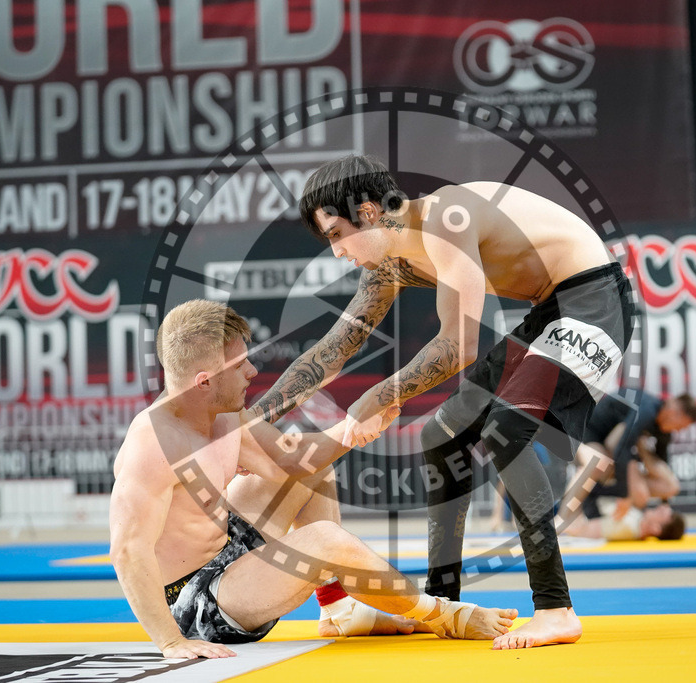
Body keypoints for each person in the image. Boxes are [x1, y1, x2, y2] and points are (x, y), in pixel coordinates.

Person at [252, 155, 636, 649]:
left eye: (336, 235)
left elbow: (459, 346)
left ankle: (556, 609)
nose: (337, 252)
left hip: (596, 299)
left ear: (368, 212)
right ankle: (442, 600)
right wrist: (249, 421)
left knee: (506, 430)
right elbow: (334, 350)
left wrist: (378, 395)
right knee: (441, 434)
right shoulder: (390, 263)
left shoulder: (447, 217)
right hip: (549, 311)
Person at [110, 299, 516, 658]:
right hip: (195, 600)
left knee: (313, 473)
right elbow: (128, 550)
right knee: (327, 541)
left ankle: (339, 610)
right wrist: (170, 642)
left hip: (227, 546)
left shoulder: (224, 415)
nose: (252, 371)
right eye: (239, 366)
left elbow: (297, 461)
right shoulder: (154, 445)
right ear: (204, 382)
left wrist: (353, 427)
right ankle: (445, 616)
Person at [568, 390, 696, 520]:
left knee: (668, 487)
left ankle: (612, 496)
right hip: (590, 437)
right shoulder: (647, 410)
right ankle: (592, 498)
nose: (678, 430)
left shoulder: (664, 430)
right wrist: (624, 493)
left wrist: (664, 504)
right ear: (674, 412)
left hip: (616, 451)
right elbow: (622, 447)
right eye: (681, 426)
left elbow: (662, 463)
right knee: (603, 463)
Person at [562, 503, 686, 542]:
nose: (660, 507)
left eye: (661, 513)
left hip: (572, 515)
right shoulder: (635, 518)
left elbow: (582, 529)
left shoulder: (628, 527)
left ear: (656, 529)